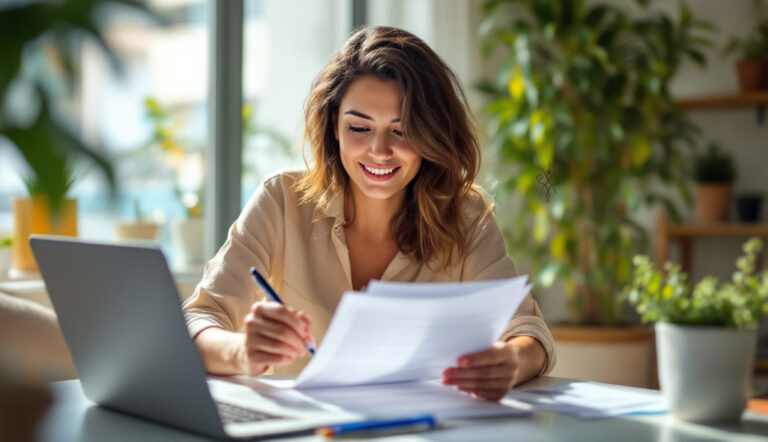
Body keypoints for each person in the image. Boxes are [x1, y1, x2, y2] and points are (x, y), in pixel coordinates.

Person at [183, 25, 555, 401]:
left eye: (403, 130)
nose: (380, 151)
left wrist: (511, 359)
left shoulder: (466, 215)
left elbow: (527, 330)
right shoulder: (281, 200)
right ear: (335, 127)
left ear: (431, 134)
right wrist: (242, 351)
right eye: (359, 127)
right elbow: (196, 320)